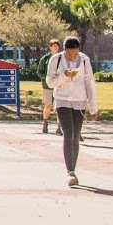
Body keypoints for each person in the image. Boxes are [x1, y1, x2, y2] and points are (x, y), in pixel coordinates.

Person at [46, 36, 97, 188]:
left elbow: (89, 82)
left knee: (76, 134)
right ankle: (70, 172)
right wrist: (64, 76)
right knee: (68, 133)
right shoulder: (56, 60)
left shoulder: (84, 60)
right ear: (64, 50)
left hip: (79, 100)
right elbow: (50, 82)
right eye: (69, 54)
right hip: (62, 99)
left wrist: (93, 107)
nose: (72, 57)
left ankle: (73, 168)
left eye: (75, 54)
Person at [38, 39, 61, 135]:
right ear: (50, 47)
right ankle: (45, 123)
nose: (55, 47)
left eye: (57, 46)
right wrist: (47, 79)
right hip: (47, 86)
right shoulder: (45, 58)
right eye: (53, 46)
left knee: (60, 106)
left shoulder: (62, 58)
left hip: (59, 86)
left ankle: (59, 127)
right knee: (48, 105)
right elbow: (40, 72)